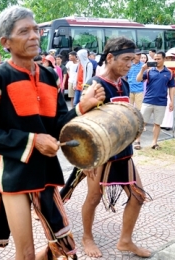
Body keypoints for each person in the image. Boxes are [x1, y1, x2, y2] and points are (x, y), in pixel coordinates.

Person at [0, 6, 105, 260]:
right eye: (24, 31)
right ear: (6, 42)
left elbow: (57, 126)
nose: (34, 36)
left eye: (36, 30)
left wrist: (82, 106)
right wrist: (33, 140)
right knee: (26, 253)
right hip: (15, 172)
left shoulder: (48, 76)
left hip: (46, 171)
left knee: (64, 247)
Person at [61, 36, 151, 259]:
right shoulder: (95, 84)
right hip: (100, 156)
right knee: (93, 198)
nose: (130, 64)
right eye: (126, 59)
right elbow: (81, 124)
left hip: (124, 152)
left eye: (133, 60)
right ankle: (87, 238)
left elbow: (124, 115)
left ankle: (125, 241)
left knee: (138, 196)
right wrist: (87, 158)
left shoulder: (125, 83)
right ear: (110, 57)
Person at [135, 51, 175, 150]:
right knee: (142, 122)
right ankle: (137, 141)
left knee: (157, 123)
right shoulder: (149, 71)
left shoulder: (169, 73)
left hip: (161, 102)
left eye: (158, 59)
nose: (156, 61)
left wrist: (172, 101)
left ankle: (154, 143)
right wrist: (142, 69)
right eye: (155, 59)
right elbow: (138, 79)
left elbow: (172, 88)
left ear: (164, 59)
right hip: (148, 100)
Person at [160, 52, 175, 130]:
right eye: (167, 58)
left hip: (170, 89)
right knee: (162, 108)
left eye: (170, 58)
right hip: (162, 89)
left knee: (170, 105)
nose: (169, 59)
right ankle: (162, 123)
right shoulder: (161, 67)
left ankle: (168, 124)